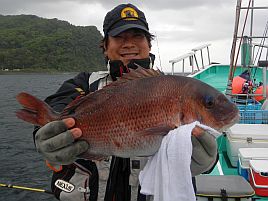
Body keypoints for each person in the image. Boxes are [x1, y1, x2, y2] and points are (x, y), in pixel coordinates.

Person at [33, 3, 218, 201]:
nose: (129, 43)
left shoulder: (174, 91)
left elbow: (202, 137)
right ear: (105, 47)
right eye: (119, 37)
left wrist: (206, 160)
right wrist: (46, 137)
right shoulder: (85, 84)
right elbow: (57, 106)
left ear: (149, 44)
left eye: (138, 36)